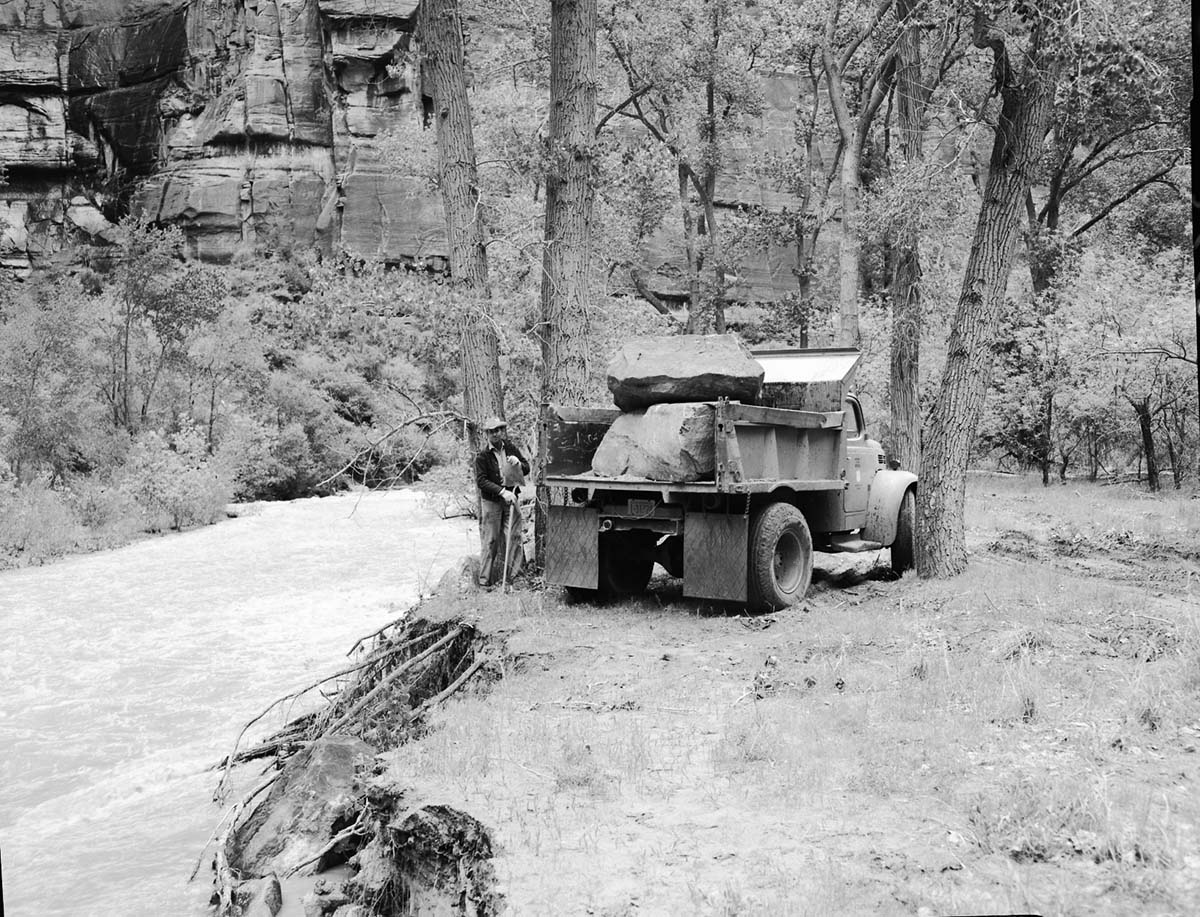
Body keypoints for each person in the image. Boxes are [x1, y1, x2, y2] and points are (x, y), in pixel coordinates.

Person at [474, 416, 530, 587]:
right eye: (491, 431)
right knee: (490, 540)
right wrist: (501, 491)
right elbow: (481, 481)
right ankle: (485, 582)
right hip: (492, 503)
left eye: (498, 430)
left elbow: (527, 468)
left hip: (512, 498)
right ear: (487, 434)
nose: (495, 434)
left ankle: (515, 578)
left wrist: (518, 463)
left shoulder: (511, 448)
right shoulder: (482, 456)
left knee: (514, 536)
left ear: (502, 431)